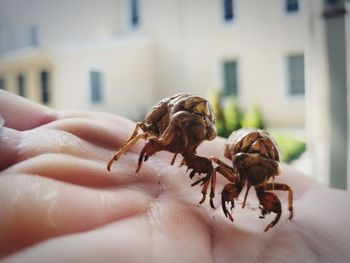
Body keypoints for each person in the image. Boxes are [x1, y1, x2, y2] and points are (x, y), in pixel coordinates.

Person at [0, 89, 349, 263]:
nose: (192, 136)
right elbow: (154, 136)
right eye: (188, 128)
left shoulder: (218, 159)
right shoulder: (183, 140)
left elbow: (208, 166)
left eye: (197, 131)